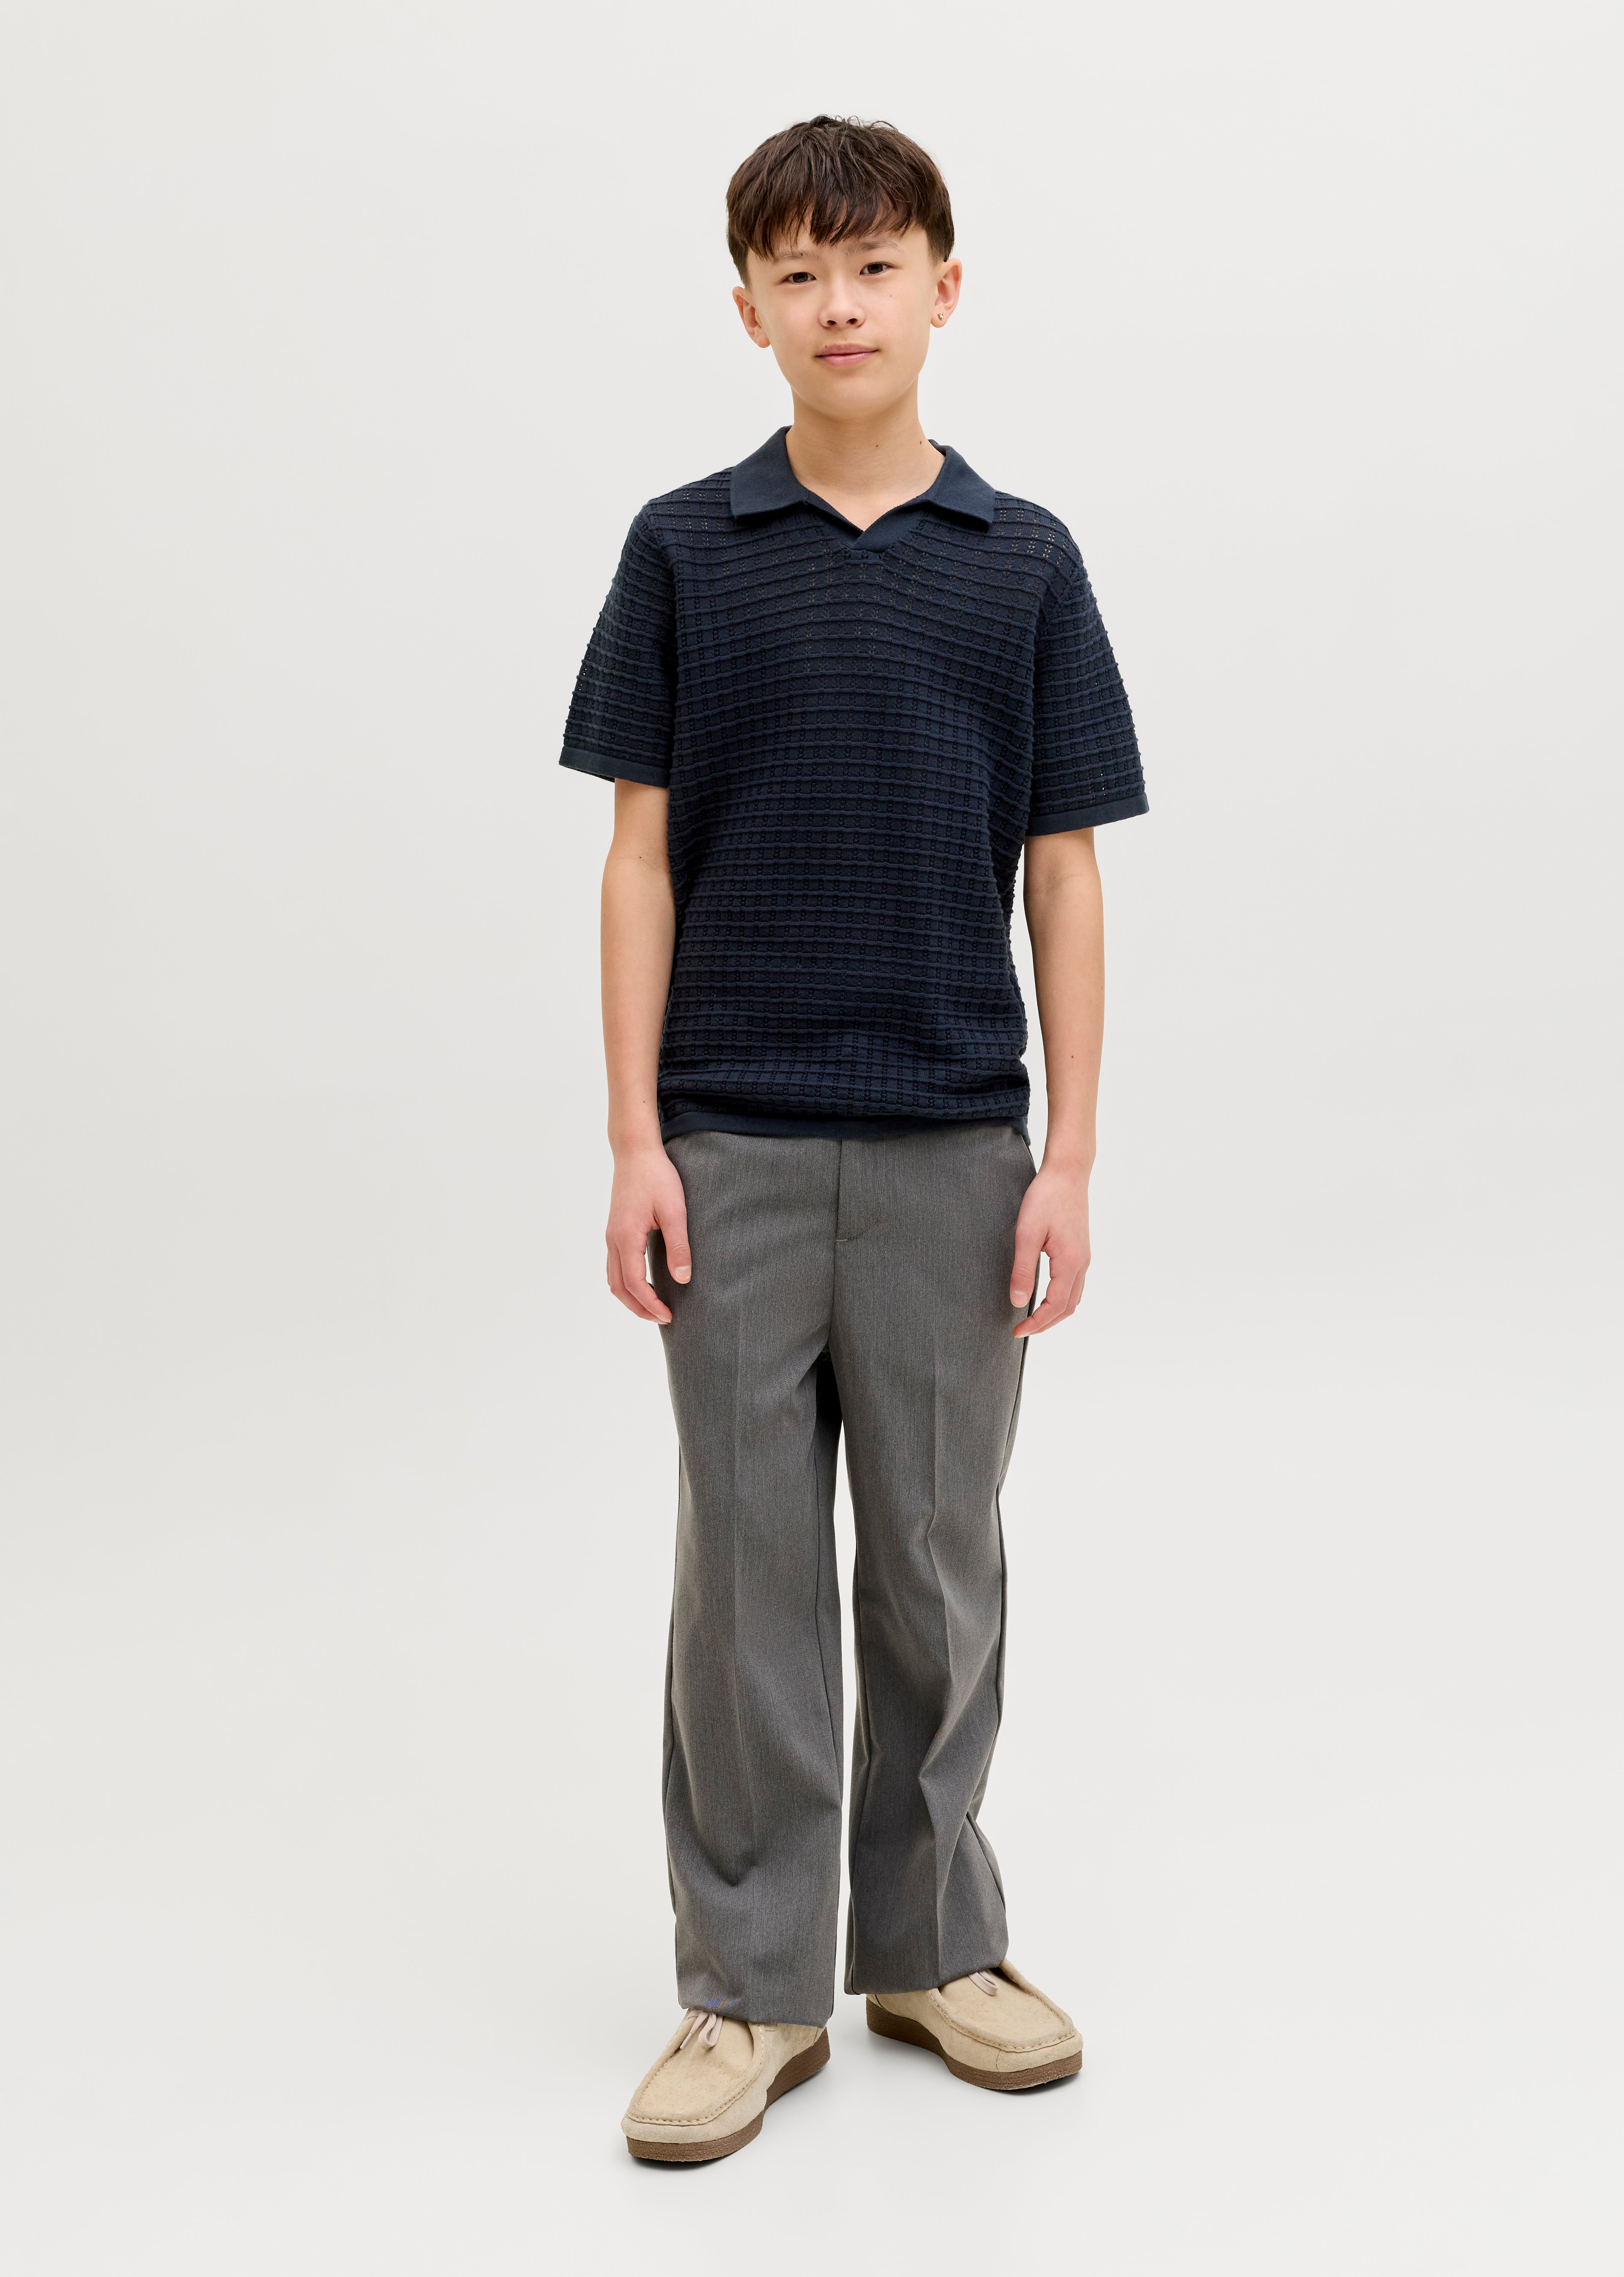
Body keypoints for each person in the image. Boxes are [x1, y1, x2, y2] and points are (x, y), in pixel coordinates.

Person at [559, 114, 1146, 2164]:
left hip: (953, 1146)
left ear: (942, 290)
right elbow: (637, 860)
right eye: (797, 273)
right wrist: (631, 1138)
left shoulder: (1024, 564)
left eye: (874, 264)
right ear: (747, 309)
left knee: (935, 1562)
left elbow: (1064, 873)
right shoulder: (683, 550)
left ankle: (932, 1946)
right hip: (723, 1144)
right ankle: (745, 1990)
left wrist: (1068, 1159)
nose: (839, 304)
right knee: (743, 1582)